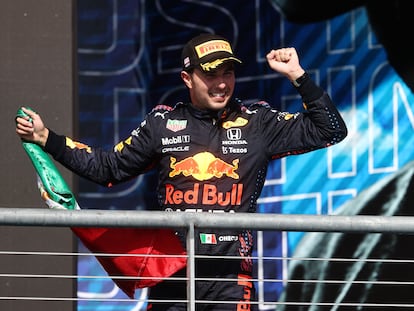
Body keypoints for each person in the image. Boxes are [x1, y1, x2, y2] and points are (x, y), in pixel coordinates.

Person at [15, 33, 348, 310]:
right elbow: (108, 168)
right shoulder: (162, 124)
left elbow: (330, 130)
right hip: (171, 274)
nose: (222, 84)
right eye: (211, 74)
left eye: (228, 73)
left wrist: (298, 76)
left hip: (231, 279)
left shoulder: (258, 122)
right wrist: (48, 139)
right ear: (188, 79)